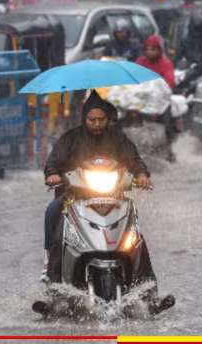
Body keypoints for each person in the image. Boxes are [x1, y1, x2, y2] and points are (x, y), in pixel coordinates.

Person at [41, 91, 151, 281]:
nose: (97, 124)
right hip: (74, 195)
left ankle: (146, 284)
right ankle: (50, 266)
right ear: (85, 119)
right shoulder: (71, 138)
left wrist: (141, 174)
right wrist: (52, 174)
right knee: (53, 210)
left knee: (134, 231)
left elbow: (134, 160)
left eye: (101, 119)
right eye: (93, 120)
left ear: (108, 119)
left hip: (113, 195)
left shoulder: (118, 138)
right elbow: (53, 162)